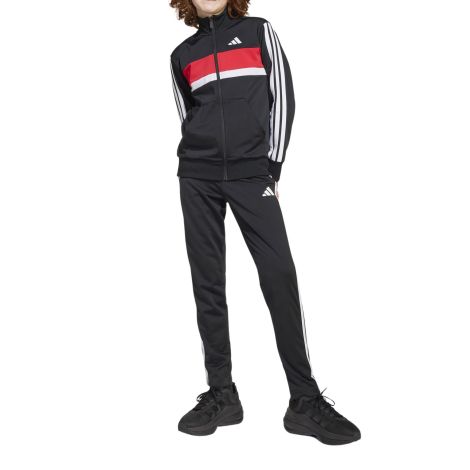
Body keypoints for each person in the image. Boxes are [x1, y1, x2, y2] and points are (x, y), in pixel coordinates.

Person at [169, 0, 360, 444]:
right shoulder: (181, 55)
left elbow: (283, 94)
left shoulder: (258, 31)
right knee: (207, 282)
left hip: (253, 173)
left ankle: (304, 400)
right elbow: (186, 115)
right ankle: (222, 395)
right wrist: (200, 162)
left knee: (278, 274)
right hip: (197, 177)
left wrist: (270, 166)